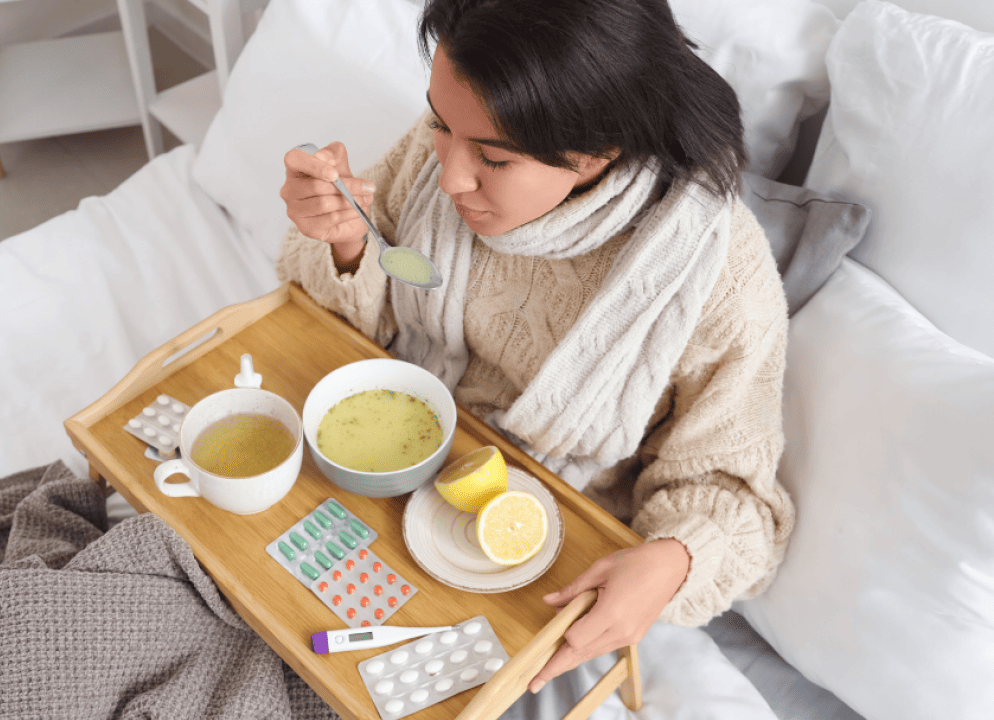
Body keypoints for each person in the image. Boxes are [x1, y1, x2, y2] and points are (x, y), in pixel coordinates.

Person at [276, 0, 794, 703]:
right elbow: (340, 324)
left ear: (595, 155)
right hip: (377, 473)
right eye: (438, 122)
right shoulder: (452, 146)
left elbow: (733, 492)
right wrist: (343, 241)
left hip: (528, 556)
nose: (451, 175)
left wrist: (673, 560)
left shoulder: (718, 275)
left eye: (492, 158)